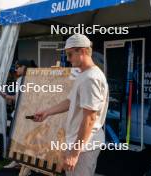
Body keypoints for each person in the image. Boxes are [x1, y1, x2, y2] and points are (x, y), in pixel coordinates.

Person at [34, 34, 109, 176]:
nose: (68, 59)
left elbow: (90, 119)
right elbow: (71, 101)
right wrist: (47, 112)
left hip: (84, 146)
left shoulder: (90, 78)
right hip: (81, 143)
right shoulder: (84, 74)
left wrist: (74, 153)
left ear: (83, 51)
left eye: (70, 54)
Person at [1, 60, 37, 169]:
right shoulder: (21, 80)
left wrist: (7, 96)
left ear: (24, 67)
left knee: (22, 139)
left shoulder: (25, 80)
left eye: (18, 67)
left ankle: (22, 162)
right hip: (22, 114)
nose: (16, 69)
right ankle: (19, 162)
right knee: (19, 139)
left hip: (24, 114)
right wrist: (7, 97)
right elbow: (18, 98)